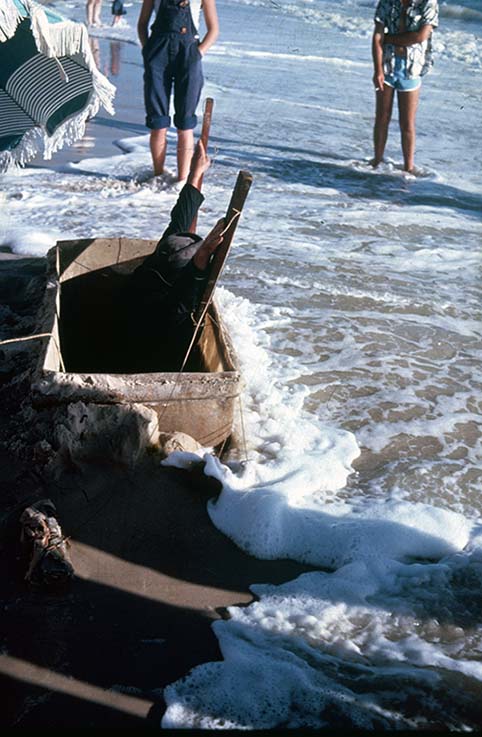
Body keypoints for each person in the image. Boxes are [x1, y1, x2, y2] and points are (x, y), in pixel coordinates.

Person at [125, 139, 225, 371]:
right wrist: (203, 255)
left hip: (133, 314)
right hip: (147, 344)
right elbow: (184, 294)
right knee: (176, 316)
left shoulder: (166, 250)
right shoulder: (170, 303)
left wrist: (195, 172)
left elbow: (182, 214)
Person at [137, 0, 219, 182]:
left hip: (189, 54)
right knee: (158, 122)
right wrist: (148, 51)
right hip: (157, 54)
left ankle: (182, 181)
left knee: (185, 123)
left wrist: (198, 54)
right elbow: (142, 24)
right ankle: (157, 177)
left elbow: (213, 30)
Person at [371, 0, 439, 173]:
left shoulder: (428, 2)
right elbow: (377, 36)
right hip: (387, 65)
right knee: (382, 118)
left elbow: (420, 36)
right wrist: (378, 70)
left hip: (412, 69)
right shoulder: (387, 2)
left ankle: (408, 167)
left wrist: (388, 39)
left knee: (407, 123)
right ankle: (376, 161)